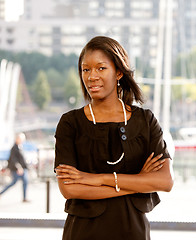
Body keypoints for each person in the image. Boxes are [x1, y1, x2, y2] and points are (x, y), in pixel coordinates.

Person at [54, 36, 174, 240]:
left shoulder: (145, 120)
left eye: (101, 68)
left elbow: (164, 181)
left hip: (132, 231)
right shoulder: (70, 123)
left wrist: (97, 179)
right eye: (86, 69)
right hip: (83, 232)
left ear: (119, 72)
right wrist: (137, 183)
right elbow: (69, 188)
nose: (92, 76)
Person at [0, 132, 30, 202]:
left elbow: (21, 159)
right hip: (17, 169)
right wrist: (18, 168)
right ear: (17, 139)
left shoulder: (20, 146)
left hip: (22, 168)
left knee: (24, 181)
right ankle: (1, 193)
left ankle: (24, 198)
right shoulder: (14, 148)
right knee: (13, 182)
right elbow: (14, 160)